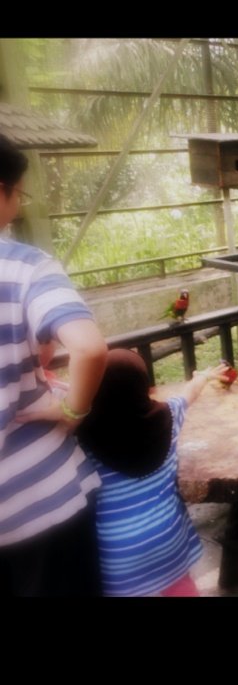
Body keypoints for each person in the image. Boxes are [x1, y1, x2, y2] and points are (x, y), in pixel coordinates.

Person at [0, 133, 108, 596]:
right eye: (19, 195)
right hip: (44, 500)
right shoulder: (25, 267)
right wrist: (72, 411)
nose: (19, 208)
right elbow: (89, 348)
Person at [76, 349, 227, 596]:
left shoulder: (82, 443)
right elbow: (189, 394)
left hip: (120, 556)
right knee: (179, 588)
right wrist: (204, 377)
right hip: (169, 539)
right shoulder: (168, 417)